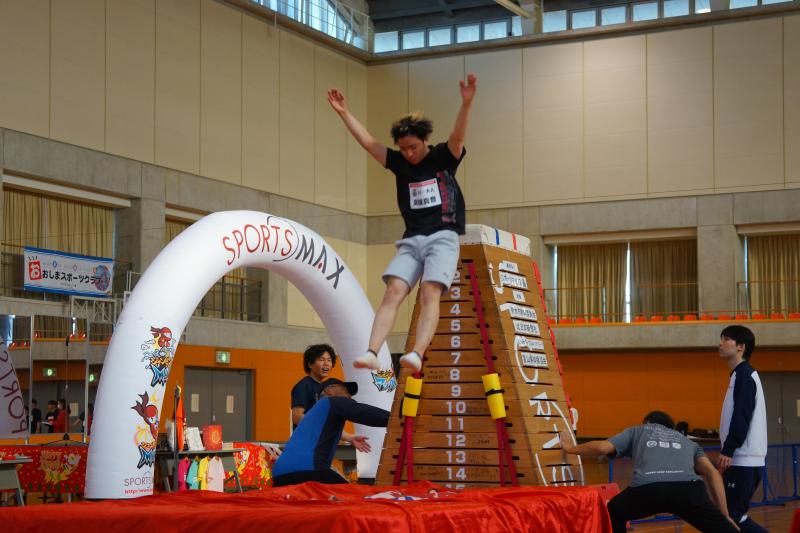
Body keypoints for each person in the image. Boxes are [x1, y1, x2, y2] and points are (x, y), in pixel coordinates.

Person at [327, 74, 477, 373]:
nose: (409, 153)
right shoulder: (398, 163)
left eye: (413, 147)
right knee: (393, 291)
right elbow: (369, 143)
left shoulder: (442, 157)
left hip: (443, 236)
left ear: (425, 141)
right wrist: (344, 113)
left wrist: (466, 104)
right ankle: (372, 351)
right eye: (404, 148)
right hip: (412, 239)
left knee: (429, 292)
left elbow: (458, 136)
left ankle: (417, 353)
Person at [559, 411, 739, 533]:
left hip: (648, 489)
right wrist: (724, 515)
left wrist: (569, 448)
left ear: (647, 423)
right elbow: (713, 473)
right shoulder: (688, 442)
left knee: (614, 510)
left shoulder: (639, 430)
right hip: (688, 491)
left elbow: (601, 448)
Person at [272, 378, 390, 487]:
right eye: (346, 391)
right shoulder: (332, 401)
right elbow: (363, 413)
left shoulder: (316, 412)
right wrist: (395, 418)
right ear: (329, 390)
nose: (349, 396)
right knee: (353, 496)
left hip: (280, 475)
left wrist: (349, 437)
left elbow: (321, 432)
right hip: (308, 470)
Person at [717, 325, 768, 533]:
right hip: (740, 459)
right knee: (730, 516)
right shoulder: (738, 375)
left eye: (726, 339)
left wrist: (729, 449)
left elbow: (741, 416)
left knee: (734, 517)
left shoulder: (745, 376)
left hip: (743, 459)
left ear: (741, 347)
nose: (720, 344)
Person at [290, 344, 369, 453]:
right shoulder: (304, 385)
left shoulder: (324, 388)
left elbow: (327, 424)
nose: (326, 363)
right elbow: (296, 416)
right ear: (310, 364)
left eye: (329, 360)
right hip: (305, 446)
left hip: (319, 447)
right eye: (321, 359)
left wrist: (350, 437)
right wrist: (321, 425)